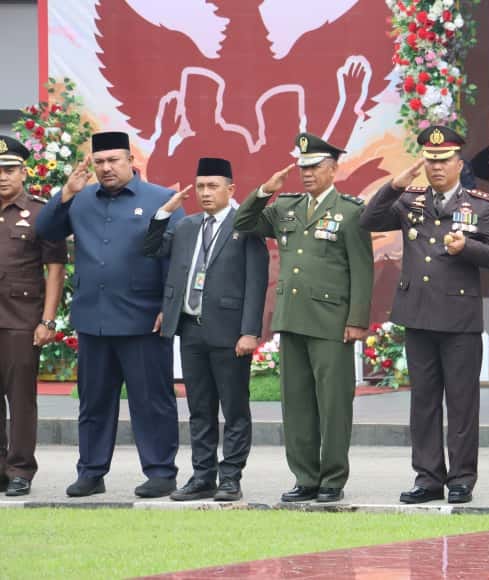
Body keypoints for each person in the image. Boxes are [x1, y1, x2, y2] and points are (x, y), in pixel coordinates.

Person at [360, 125, 489, 504]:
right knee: (423, 404)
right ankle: (428, 477)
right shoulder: (410, 200)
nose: (436, 167)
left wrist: (467, 248)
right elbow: (369, 220)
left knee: (461, 404)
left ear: (459, 164)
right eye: (430, 160)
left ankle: (461, 478)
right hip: (418, 315)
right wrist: (394, 186)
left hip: (459, 320)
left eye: (444, 161)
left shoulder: (480, 205)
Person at [35, 131, 184, 498]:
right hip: (94, 319)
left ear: (130, 160)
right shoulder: (81, 200)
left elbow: (177, 260)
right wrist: (66, 194)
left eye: (114, 160)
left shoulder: (160, 199)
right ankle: (91, 472)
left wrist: (168, 308)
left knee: (152, 402)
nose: (106, 168)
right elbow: (45, 231)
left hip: (143, 320)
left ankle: (161, 472)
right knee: (94, 403)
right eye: (99, 162)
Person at [234, 133, 373, 503]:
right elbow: (244, 222)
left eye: (315, 167)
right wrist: (264, 191)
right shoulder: (287, 206)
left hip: (331, 321)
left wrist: (357, 319)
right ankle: (305, 477)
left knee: (333, 404)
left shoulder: (350, 211)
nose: (307, 173)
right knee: (296, 404)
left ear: (333, 169)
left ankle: (332, 479)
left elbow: (362, 269)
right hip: (292, 317)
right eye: (303, 167)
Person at [142, 157, 268, 502]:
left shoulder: (245, 226)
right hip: (191, 330)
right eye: (200, 187)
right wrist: (164, 212)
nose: (205, 192)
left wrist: (250, 331)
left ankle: (231, 478)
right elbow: (151, 248)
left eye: (213, 186)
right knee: (199, 409)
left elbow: (257, 283)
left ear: (231, 189)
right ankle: (202, 477)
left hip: (230, 333)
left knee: (234, 409)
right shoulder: (187, 226)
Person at [0, 135, 67, 496]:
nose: (2, 176)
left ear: (24, 172)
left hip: (22, 321)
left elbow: (55, 269)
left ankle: (20, 469)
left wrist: (48, 320)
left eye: (9, 169)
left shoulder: (41, 214)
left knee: (21, 400)